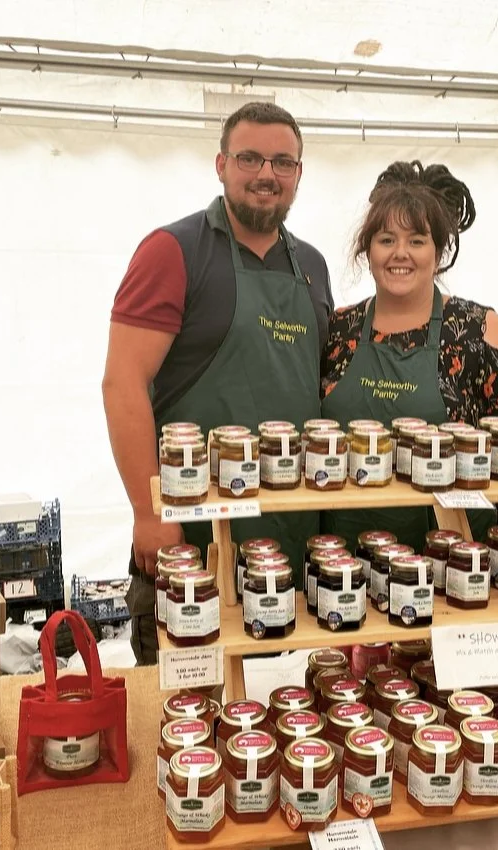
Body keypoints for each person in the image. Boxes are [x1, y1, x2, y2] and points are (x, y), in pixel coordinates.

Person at [104, 102, 333, 664]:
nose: (266, 175)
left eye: (282, 162)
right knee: (192, 708)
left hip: (291, 546)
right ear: (221, 164)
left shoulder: (312, 266)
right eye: (249, 158)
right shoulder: (173, 251)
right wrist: (148, 513)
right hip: (192, 545)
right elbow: (122, 384)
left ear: (299, 174)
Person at [320, 160, 498, 550]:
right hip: (341, 559)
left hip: (452, 558)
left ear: (438, 252)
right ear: (368, 250)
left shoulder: (479, 331)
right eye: (386, 239)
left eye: (417, 241)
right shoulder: (338, 329)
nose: (400, 253)